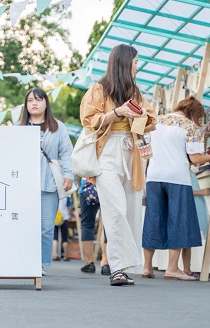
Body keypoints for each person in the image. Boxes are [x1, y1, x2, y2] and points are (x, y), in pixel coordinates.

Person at [80, 44, 157, 286]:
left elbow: (152, 119)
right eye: (135, 61)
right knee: (115, 210)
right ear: (125, 62)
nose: (137, 66)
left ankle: (122, 266)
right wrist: (117, 112)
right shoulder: (99, 89)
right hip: (107, 152)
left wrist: (140, 114)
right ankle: (117, 267)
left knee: (131, 209)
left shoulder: (135, 91)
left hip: (131, 153)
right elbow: (88, 120)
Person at [142, 96, 210, 281]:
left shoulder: (157, 121)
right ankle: (172, 268)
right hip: (178, 178)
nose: (198, 121)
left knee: (153, 220)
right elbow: (196, 159)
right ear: (193, 113)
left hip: (153, 176)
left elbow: (145, 147)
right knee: (178, 221)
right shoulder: (190, 127)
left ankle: (146, 267)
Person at [20, 87, 73, 276]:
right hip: (23, 186)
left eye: (38, 99)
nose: (34, 103)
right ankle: (22, 261)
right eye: (30, 100)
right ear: (25, 105)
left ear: (46, 103)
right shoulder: (19, 128)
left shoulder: (58, 127)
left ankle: (39, 264)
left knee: (46, 226)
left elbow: (66, 152)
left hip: (49, 183)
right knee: (24, 225)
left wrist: (69, 175)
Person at [78, 178, 110, 275]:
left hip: (89, 185)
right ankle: (106, 262)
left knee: (87, 224)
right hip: (108, 185)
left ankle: (89, 262)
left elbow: (79, 168)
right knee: (108, 225)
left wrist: (79, 183)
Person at [52, 197, 71, 261]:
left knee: (55, 238)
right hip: (64, 217)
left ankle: (55, 254)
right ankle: (66, 256)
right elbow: (69, 207)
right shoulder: (66, 197)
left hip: (55, 218)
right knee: (65, 238)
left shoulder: (54, 196)